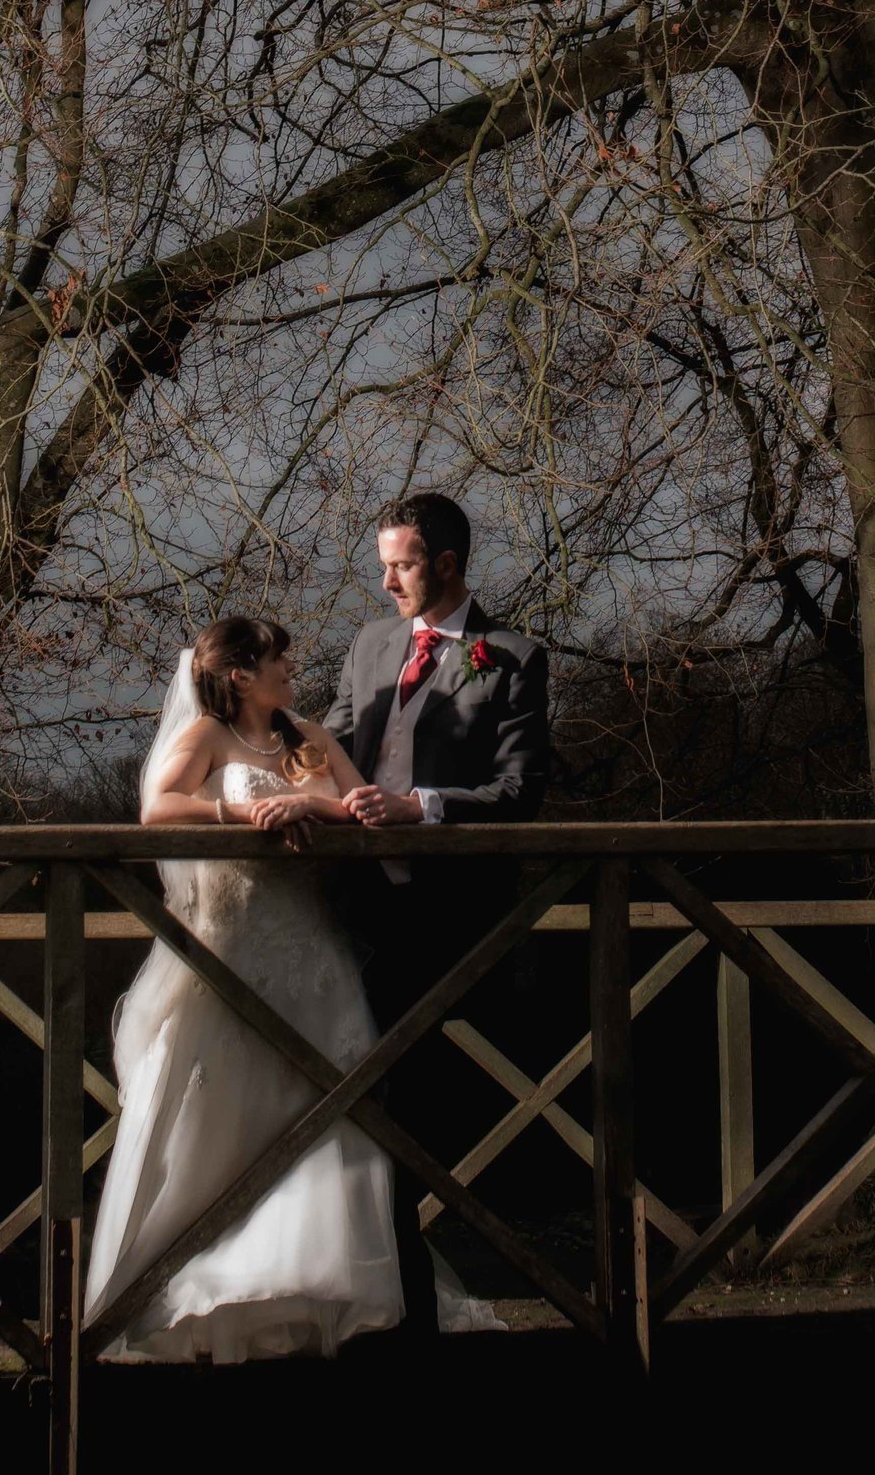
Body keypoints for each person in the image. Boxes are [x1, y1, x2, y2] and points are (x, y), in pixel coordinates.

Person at [82, 612, 400, 1363]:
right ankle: (191, 1280)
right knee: (222, 1107)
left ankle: (310, 1280)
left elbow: (360, 807)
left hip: (310, 947)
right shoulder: (207, 739)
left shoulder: (311, 735)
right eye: (278, 659)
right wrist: (241, 811)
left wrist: (309, 804)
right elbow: (157, 809)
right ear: (239, 675)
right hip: (237, 946)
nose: (292, 667)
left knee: (323, 1103)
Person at [323, 492, 554, 1332]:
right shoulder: (370, 646)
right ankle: (378, 1298)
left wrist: (420, 808)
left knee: (398, 1106)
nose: (385, 581)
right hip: (348, 912)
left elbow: (518, 793)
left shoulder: (513, 658)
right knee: (347, 1094)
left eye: (402, 564)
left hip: (444, 920)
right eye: (384, 563)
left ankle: (403, 1309)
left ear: (448, 565)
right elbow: (329, 751)